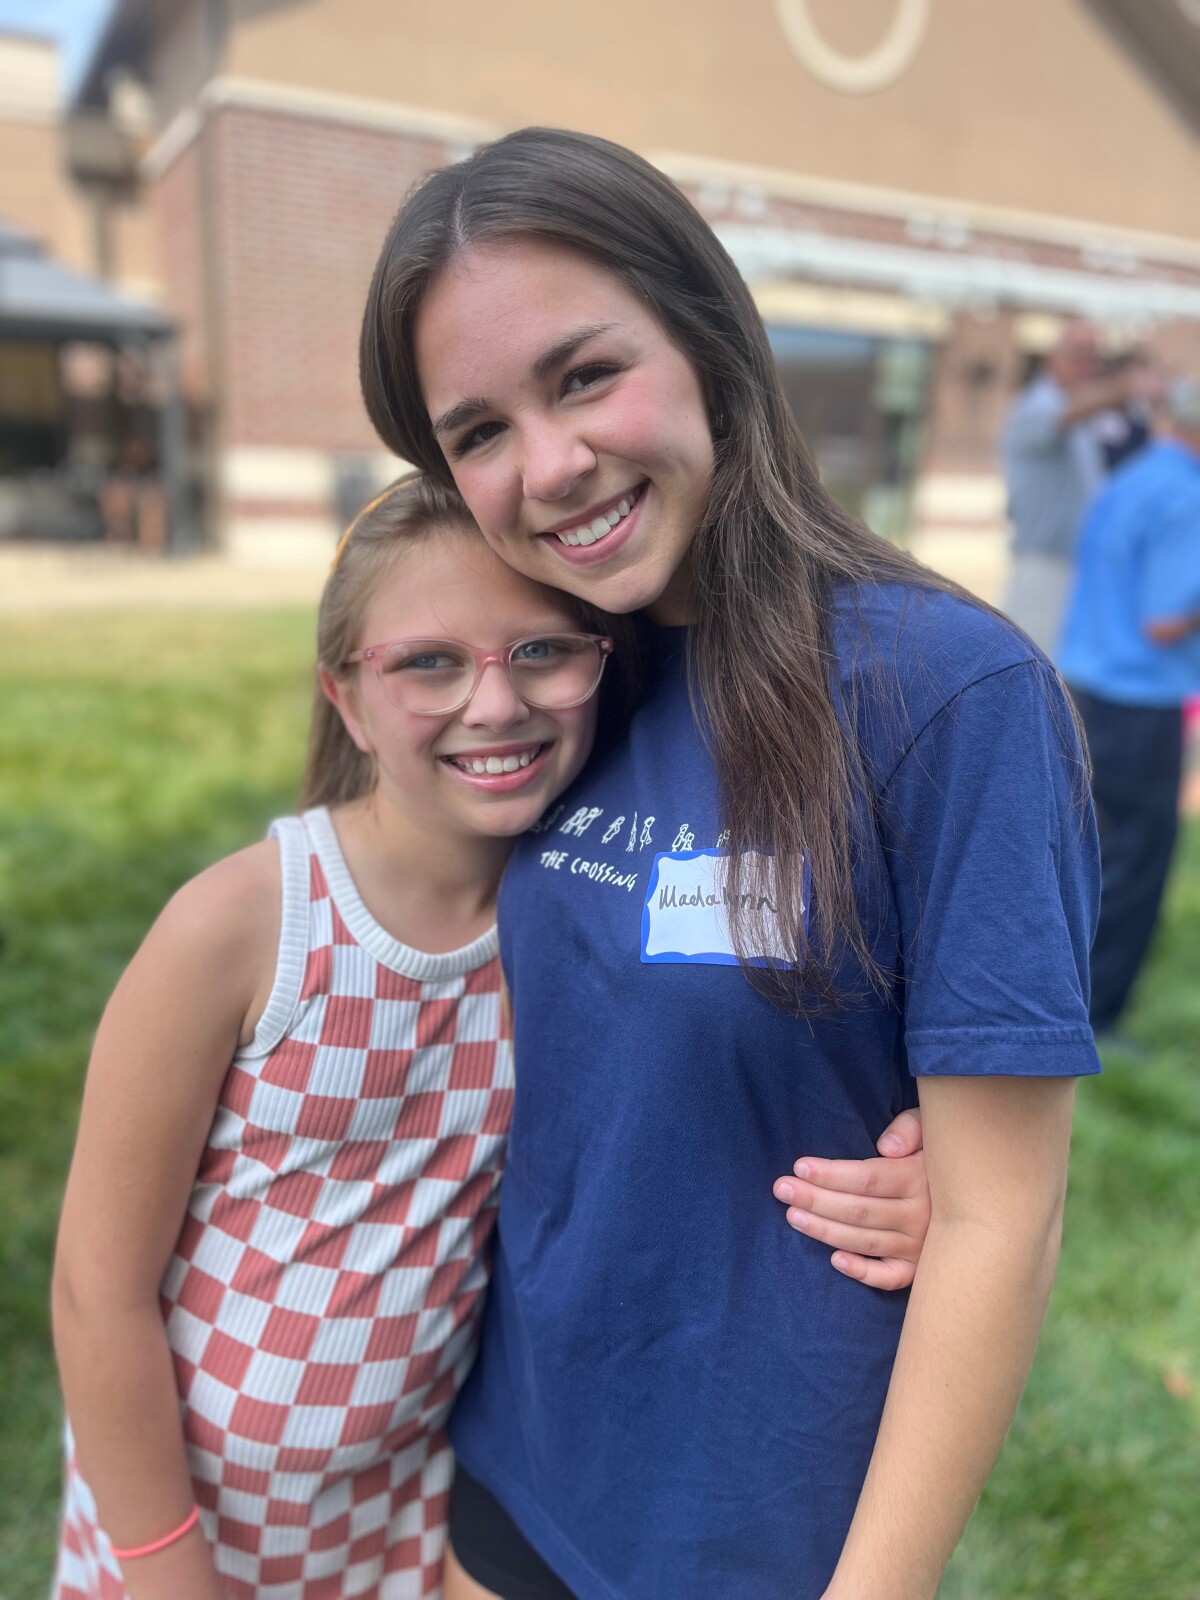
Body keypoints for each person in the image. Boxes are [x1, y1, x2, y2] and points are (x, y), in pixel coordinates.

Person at [359, 126, 1103, 1600]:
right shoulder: (553, 684)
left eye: (585, 375)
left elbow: (1001, 1220)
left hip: (759, 1528)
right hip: (513, 1466)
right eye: (479, 432)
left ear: (708, 340)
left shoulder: (948, 696)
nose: (549, 465)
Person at [51, 474, 929, 1600]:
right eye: (429, 662)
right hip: (187, 1529)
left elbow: (693, 1100)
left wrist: (918, 1177)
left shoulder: (577, 916)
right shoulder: (239, 926)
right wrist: (165, 1567)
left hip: (417, 1515)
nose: (495, 703)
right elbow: (95, 1290)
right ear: (347, 697)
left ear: (602, 667)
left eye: (543, 652)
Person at [1058, 377, 1200, 1044]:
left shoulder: (1133, 475)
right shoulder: (1187, 494)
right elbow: (1165, 622)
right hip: (1140, 700)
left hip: (1087, 687)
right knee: (1134, 867)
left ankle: (1060, 1003)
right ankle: (1096, 1021)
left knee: (1087, 859)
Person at [1000, 320, 1149, 655]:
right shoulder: (1038, 403)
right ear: (1051, 360)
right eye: (1080, 354)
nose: (1089, 366)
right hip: (1046, 565)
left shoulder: (1076, 411)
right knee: (1032, 662)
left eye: (1095, 357)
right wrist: (1120, 389)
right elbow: (1061, 416)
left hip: (1071, 564)